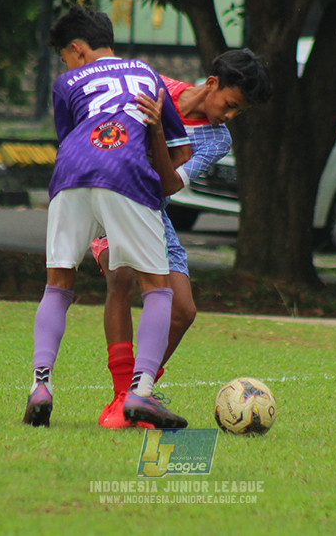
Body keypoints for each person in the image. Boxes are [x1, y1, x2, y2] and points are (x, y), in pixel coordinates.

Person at [24, 5, 192, 429]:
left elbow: (72, 138)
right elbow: (180, 151)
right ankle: (141, 393)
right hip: (126, 173)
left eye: (65, 55)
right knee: (157, 288)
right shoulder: (148, 75)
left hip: (71, 173)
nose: (67, 62)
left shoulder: (66, 82)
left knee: (58, 283)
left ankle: (40, 385)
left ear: (77, 50)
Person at [93, 49, 272, 428]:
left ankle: (141, 392)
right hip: (110, 199)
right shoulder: (157, 88)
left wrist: (158, 130)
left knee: (184, 309)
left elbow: (170, 183)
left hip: (153, 210)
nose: (230, 116)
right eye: (230, 104)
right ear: (212, 84)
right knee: (121, 278)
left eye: (239, 112)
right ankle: (123, 396)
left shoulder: (217, 139)